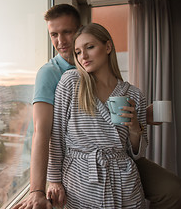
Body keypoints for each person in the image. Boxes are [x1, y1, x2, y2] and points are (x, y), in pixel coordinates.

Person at [12, 4, 181, 209]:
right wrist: (41, 187)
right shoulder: (60, 77)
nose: (61, 42)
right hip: (82, 174)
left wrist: (137, 124)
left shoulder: (131, 92)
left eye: (67, 32)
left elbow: (134, 147)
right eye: (54, 35)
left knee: (175, 191)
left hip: (122, 170)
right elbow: (46, 133)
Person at [47, 23, 147, 208]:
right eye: (77, 52)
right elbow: (57, 135)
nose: (83, 56)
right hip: (80, 181)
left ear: (108, 47)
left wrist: (135, 129)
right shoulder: (71, 82)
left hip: (124, 181)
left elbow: (137, 153)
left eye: (90, 47)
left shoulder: (134, 94)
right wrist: (54, 180)